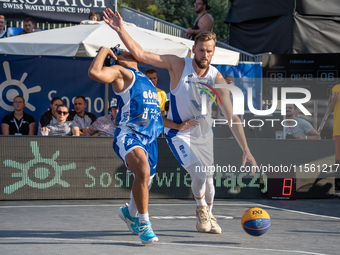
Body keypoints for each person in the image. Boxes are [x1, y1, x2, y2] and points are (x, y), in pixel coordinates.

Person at [103, 9, 257, 235]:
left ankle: (208, 213)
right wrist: (120, 29)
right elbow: (141, 54)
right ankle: (201, 209)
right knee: (201, 175)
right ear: (194, 49)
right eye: (202, 50)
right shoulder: (177, 65)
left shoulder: (216, 77)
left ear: (213, 53)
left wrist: (246, 148)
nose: (205, 54)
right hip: (180, 133)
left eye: (210, 51)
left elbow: (231, 116)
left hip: (204, 135)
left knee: (210, 184)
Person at [88, 44, 164, 244]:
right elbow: (94, 72)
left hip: (150, 138)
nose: (127, 48)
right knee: (143, 169)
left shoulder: (147, 78)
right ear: (118, 57)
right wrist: (105, 50)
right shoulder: (122, 72)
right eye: (121, 49)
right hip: (130, 133)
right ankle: (144, 224)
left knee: (144, 181)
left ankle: (129, 212)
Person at [328, 85, 340, 164]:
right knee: (338, 162)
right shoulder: (335, 88)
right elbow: (330, 110)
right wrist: (333, 100)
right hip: (338, 130)